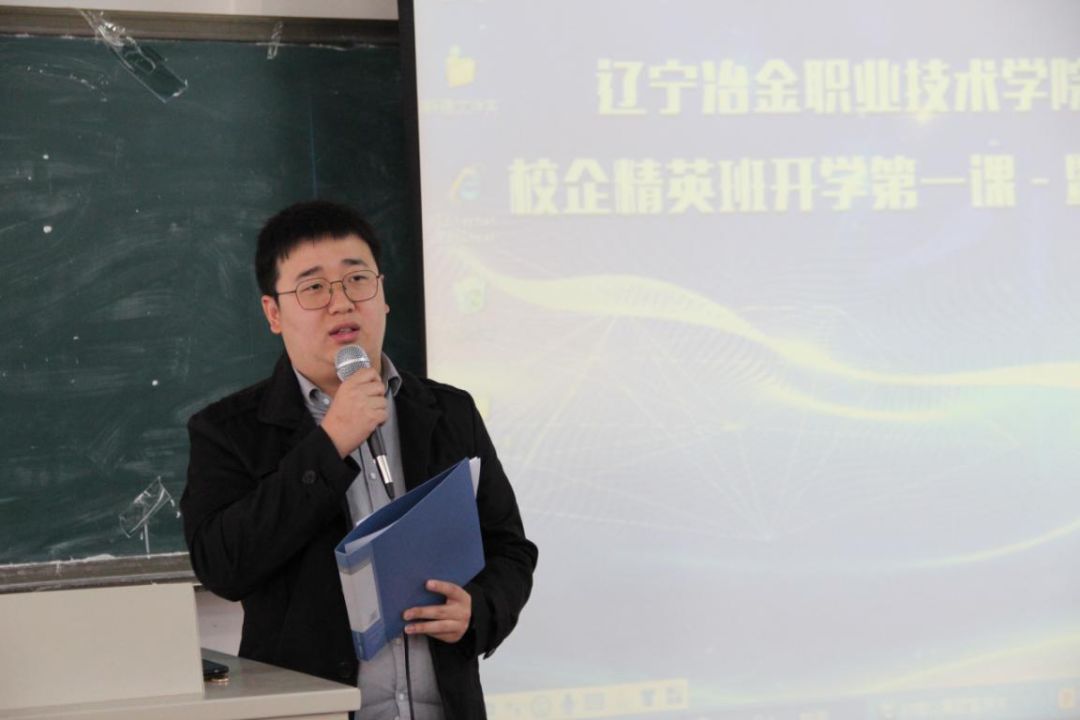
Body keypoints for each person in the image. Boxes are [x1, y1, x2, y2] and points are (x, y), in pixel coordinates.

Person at [180, 200, 538, 719]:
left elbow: (509, 549)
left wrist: (478, 610)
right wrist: (329, 444)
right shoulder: (229, 431)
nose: (342, 302)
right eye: (314, 288)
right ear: (274, 313)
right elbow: (223, 567)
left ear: (383, 295)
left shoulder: (449, 412)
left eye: (357, 280)